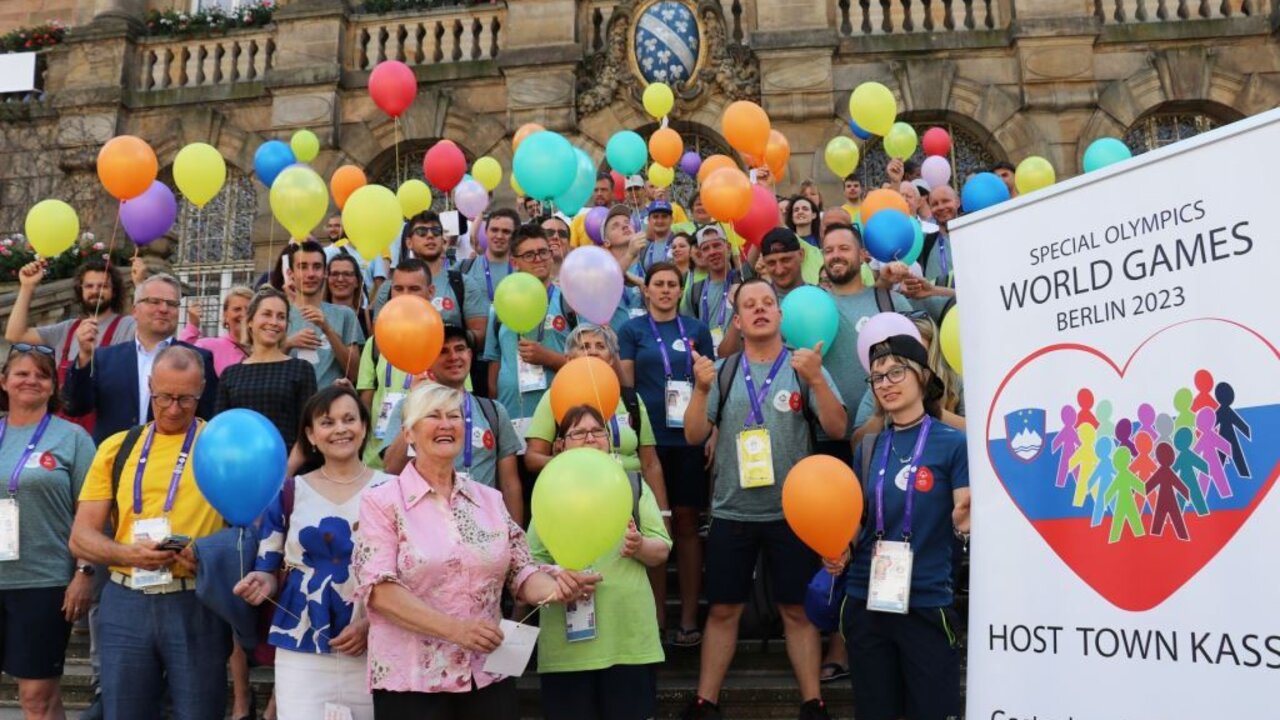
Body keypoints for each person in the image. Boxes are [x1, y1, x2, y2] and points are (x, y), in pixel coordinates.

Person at [352, 383, 599, 718]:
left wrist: (556, 587)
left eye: (454, 416)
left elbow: (520, 570)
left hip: (487, 675)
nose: (446, 424)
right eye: (433, 416)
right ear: (408, 433)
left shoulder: (488, 499)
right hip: (412, 683)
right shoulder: (382, 502)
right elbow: (379, 592)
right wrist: (458, 631)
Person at [680, 278, 847, 720]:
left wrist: (817, 380)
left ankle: (813, 702)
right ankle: (705, 702)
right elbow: (695, 435)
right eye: (748, 305)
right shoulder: (724, 370)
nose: (759, 310)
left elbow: (836, 428)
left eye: (767, 303)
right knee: (723, 609)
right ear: (737, 320)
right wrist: (699, 391)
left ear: (779, 314)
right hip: (733, 510)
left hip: (794, 513)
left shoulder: (805, 365)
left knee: (796, 610)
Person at [69, 346, 232, 720]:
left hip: (195, 601)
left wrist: (205, 553)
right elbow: (81, 537)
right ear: (149, 386)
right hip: (127, 599)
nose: (174, 409)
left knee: (199, 712)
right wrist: (130, 555)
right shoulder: (117, 447)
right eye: (163, 398)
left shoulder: (222, 447)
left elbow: (250, 531)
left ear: (203, 389)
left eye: (186, 399)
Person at [827, 333, 971, 720]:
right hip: (865, 600)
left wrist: (964, 522)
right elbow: (859, 522)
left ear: (923, 376)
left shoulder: (954, 444)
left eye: (896, 372)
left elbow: (965, 511)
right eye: (877, 377)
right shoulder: (869, 447)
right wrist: (841, 548)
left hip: (924, 600)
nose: (886, 384)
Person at [234, 386, 391, 720]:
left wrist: (370, 624)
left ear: (364, 428)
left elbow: (409, 573)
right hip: (300, 642)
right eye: (327, 422)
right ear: (311, 435)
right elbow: (269, 565)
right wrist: (261, 582)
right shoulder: (291, 491)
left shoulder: (392, 490)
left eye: (349, 419)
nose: (340, 429)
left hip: (378, 645)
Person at [530, 404, 671, 720]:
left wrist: (638, 545)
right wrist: (560, 576)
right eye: (578, 433)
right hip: (568, 649)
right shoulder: (550, 488)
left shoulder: (632, 484)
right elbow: (528, 562)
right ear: (561, 445)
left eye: (597, 432)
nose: (590, 438)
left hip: (629, 641)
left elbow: (661, 550)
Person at [619, 261, 715, 647]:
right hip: (649, 441)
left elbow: (710, 383)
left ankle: (689, 617)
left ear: (680, 289)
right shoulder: (631, 330)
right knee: (654, 526)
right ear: (646, 290)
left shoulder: (696, 330)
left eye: (672, 284)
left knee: (689, 527)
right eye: (657, 284)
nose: (664, 290)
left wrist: (713, 429)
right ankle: (657, 615)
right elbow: (626, 384)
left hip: (689, 440)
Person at [0, 344, 96, 720]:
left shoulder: (73, 439)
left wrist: (84, 573)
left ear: (53, 387)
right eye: (22, 373)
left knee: (37, 697)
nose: (31, 381)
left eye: (42, 375)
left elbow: (90, 513)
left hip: (43, 581)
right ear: (4, 381)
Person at [380, 324, 524, 522]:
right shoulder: (406, 407)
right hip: (426, 524)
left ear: (470, 355)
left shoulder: (493, 412)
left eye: (459, 349)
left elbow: (509, 484)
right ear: (428, 360)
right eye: (443, 351)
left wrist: (514, 537)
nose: (454, 357)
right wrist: (417, 408)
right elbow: (391, 468)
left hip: (484, 527)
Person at [523, 323, 669, 515]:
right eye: (584, 347)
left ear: (610, 359)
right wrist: (564, 461)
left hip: (631, 497)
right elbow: (532, 458)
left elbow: (650, 463)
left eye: (600, 346)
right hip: (575, 496)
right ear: (569, 359)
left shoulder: (630, 399)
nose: (593, 352)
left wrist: (663, 515)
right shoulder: (555, 396)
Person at [63, 274, 218, 444]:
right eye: (155, 301)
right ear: (135, 310)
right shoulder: (104, 358)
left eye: (172, 304)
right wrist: (85, 356)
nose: (164, 309)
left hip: (173, 462)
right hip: (115, 461)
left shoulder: (198, 359)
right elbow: (76, 407)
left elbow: (208, 419)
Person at [819, 223, 913, 457]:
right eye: (828, 250)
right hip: (828, 438)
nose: (835, 256)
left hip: (889, 433)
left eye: (844, 248)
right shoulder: (813, 307)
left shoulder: (890, 302)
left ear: (862, 255)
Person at [482, 224, 570, 432]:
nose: (538, 259)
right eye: (529, 255)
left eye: (543, 252)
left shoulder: (569, 302)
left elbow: (587, 365)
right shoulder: (500, 306)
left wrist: (548, 358)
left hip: (558, 415)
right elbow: (494, 365)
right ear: (515, 262)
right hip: (511, 418)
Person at [215, 287, 317, 463]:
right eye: (267, 314)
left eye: (281, 317)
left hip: (290, 473)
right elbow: (220, 432)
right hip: (241, 470)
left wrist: (285, 474)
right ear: (250, 321)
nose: (274, 322)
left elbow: (308, 430)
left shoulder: (301, 369)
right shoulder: (230, 375)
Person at [5, 259, 136, 375]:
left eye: (103, 286)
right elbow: (15, 335)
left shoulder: (128, 326)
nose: (95, 291)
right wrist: (27, 287)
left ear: (114, 292)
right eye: (89, 286)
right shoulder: (67, 329)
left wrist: (140, 284)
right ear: (81, 290)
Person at [377, 213, 488, 349]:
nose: (430, 236)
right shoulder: (389, 288)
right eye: (421, 232)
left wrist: (446, 338)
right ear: (409, 242)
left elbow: (481, 335)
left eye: (436, 232)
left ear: (443, 240)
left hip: (450, 365)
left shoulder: (463, 284)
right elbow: (378, 340)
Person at [281, 240, 363, 387]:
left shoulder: (345, 314)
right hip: (290, 404)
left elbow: (355, 373)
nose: (311, 274)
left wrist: (328, 329)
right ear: (290, 273)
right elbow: (263, 364)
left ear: (325, 273)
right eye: (302, 267)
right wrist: (288, 344)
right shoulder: (279, 314)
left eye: (317, 267)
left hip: (330, 404)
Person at [680, 226, 738, 357]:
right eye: (706, 248)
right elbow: (688, 330)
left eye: (717, 245)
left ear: (728, 247)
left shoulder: (742, 283)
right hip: (707, 363)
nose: (712, 252)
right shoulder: (695, 291)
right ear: (701, 254)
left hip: (740, 363)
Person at [179, 286, 253, 377]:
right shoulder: (208, 346)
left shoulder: (265, 349)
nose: (243, 314)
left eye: (249, 310)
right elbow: (180, 361)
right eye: (237, 309)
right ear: (225, 315)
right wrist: (193, 326)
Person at [326, 253, 371, 339]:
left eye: (347, 274)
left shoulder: (369, 318)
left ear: (357, 282)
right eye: (335, 274)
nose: (340, 279)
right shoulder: (318, 316)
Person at [568, 172, 616, 248]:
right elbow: (571, 252)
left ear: (613, 193)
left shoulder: (621, 221)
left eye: (604, 190)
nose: (599, 193)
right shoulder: (578, 221)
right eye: (596, 190)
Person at [760, 228, 809, 300]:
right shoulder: (757, 304)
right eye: (771, 263)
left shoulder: (820, 298)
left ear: (801, 255)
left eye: (785, 260)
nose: (779, 271)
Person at [541, 213, 571, 280]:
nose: (556, 237)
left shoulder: (582, 277)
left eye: (562, 234)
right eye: (549, 232)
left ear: (569, 244)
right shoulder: (526, 278)